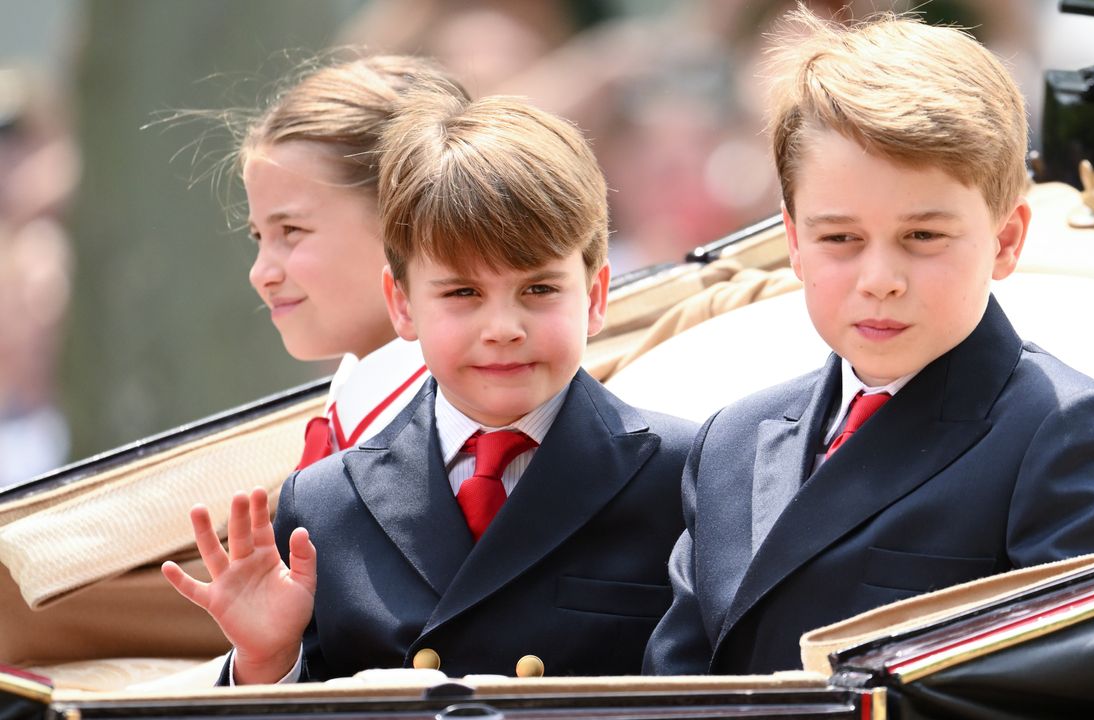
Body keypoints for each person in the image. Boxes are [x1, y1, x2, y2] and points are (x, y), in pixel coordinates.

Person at [643, 8, 1094, 676]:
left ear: (1005, 240)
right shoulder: (732, 441)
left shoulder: (1063, 433)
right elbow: (672, 683)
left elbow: (1069, 690)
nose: (880, 280)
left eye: (922, 237)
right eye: (840, 239)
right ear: (793, 242)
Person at [163, 90, 696, 683]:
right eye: (462, 293)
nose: (502, 330)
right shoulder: (324, 503)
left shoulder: (682, 474)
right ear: (402, 303)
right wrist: (267, 660)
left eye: (539, 290)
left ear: (595, 296)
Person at [237, 55, 469, 469]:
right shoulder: (352, 415)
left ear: (409, 222)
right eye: (258, 237)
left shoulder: (464, 436)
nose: (261, 274)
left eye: (290, 231)